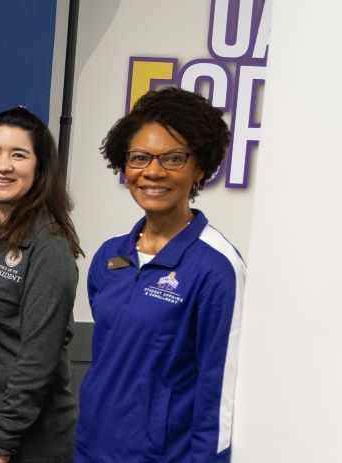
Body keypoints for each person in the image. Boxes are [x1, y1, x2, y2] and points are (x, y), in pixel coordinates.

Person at [75, 88, 245, 462]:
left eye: (173, 158)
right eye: (139, 158)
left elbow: (220, 394)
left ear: (200, 167)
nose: (152, 171)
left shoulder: (217, 268)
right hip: (91, 448)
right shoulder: (109, 255)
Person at [0, 107, 81, 463]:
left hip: (22, 445)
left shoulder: (48, 246)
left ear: (40, 168)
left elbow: (39, 358)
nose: (3, 165)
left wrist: (2, 438)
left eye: (18, 155)